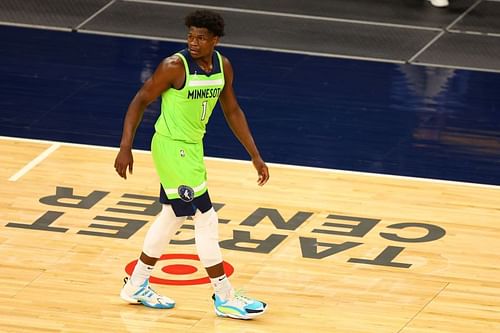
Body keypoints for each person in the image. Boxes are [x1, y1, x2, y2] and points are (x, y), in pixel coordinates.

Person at [113, 9, 269, 320]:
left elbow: (233, 110)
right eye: (190, 36)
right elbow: (140, 100)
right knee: (206, 217)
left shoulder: (223, 66)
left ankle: (136, 285)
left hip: (193, 149)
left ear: (215, 40)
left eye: (200, 38)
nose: (193, 42)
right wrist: (125, 146)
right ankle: (224, 297)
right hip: (171, 149)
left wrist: (254, 154)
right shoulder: (174, 66)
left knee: (172, 217)